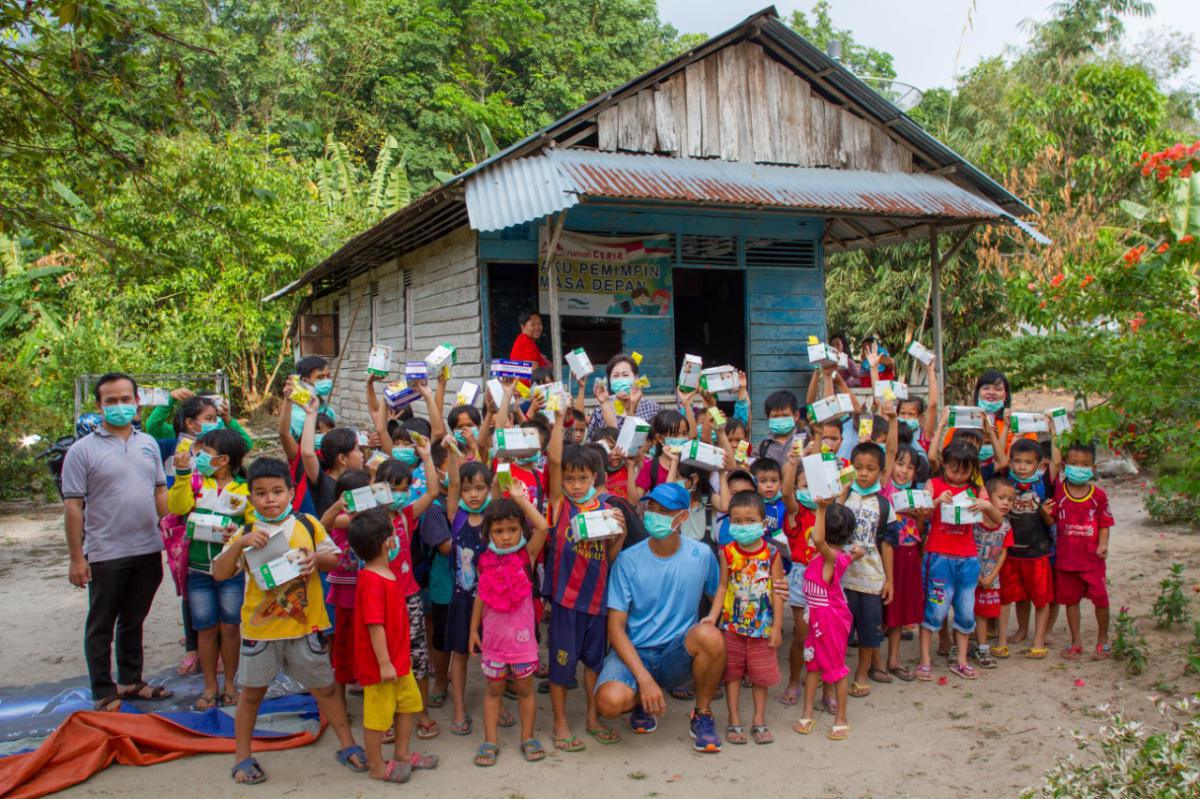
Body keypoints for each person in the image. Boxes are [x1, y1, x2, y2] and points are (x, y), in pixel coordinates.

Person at [212, 457, 364, 785]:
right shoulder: (246, 532)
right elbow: (220, 573)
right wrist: (239, 544)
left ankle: (348, 745)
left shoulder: (307, 524)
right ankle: (242, 757)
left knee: (325, 689)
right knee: (251, 695)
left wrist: (315, 559)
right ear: (251, 497)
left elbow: (334, 559)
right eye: (262, 493)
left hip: (305, 627)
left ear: (291, 493)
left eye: (278, 491)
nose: (270, 499)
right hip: (260, 632)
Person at [62, 372, 173, 711]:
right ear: (99, 406)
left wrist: (170, 533)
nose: (120, 406)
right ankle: (103, 691)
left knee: (134, 619)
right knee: (101, 624)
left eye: (126, 399)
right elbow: (73, 506)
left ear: (137, 402)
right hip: (105, 552)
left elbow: (159, 491)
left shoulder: (148, 444)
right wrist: (77, 557)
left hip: (147, 547)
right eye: (111, 401)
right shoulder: (81, 451)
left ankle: (130, 681)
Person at [594, 483, 725, 754]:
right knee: (608, 703)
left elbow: (719, 596)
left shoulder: (701, 555)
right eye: (651, 508)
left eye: (664, 511)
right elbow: (616, 628)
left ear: (683, 517)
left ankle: (702, 713)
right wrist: (643, 679)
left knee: (711, 636)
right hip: (635, 652)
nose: (655, 515)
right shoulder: (628, 560)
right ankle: (643, 699)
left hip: (676, 653)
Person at [544, 406, 627, 751]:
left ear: (595, 477)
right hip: (566, 601)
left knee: (594, 664)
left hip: (597, 603)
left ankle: (592, 718)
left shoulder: (606, 509)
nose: (576, 485)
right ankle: (561, 724)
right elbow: (552, 460)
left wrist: (620, 533)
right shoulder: (560, 504)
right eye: (569, 478)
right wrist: (559, 422)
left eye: (583, 478)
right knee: (562, 669)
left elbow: (608, 559)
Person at [347, 508, 439, 783]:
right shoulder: (372, 580)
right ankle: (376, 764)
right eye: (392, 534)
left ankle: (402, 753)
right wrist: (385, 663)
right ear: (385, 542)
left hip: (400, 661)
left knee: (409, 706)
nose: (396, 538)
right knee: (377, 717)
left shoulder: (387, 573)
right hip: (381, 666)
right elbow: (375, 626)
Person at [167, 428, 251, 709]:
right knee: (205, 629)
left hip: (231, 573)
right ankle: (209, 687)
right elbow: (177, 507)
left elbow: (254, 524)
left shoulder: (244, 489)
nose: (199, 456)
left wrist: (236, 536)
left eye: (207, 453)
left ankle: (230, 684)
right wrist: (180, 476)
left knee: (230, 627)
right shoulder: (195, 483)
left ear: (223, 459)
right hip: (198, 570)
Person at [468, 488, 552, 766]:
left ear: (521, 531)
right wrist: (472, 631)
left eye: (513, 529)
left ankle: (527, 737)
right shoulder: (484, 561)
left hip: (523, 644)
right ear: (488, 533)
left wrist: (519, 500)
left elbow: (542, 525)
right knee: (493, 693)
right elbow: (481, 595)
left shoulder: (526, 555)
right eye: (499, 531)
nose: (505, 537)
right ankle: (490, 741)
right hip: (493, 643)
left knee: (526, 692)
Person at [703, 491, 784, 745]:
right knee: (732, 674)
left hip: (762, 629)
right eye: (737, 520)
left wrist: (777, 627)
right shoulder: (727, 552)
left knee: (761, 676)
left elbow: (777, 591)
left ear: (763, 522)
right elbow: (722, 587)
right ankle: (734, 720)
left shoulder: (771, 553)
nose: (743, 525)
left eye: (750, 520)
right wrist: (712, 617)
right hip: (733, 627)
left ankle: (759, 721)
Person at [918, 443, 1003, 681]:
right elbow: (920, 515)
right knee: (935, 609)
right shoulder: (934, 485)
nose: (958, 476)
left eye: (964, 471)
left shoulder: (976, 490)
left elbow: (996, 523)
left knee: (966, 612)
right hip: (938, 557)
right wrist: (935, 501)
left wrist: (987, 505)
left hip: (967, 559)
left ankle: (962, 660)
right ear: (944, 464)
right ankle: (925, 660)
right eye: (954, 469)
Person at [793, 499, 860, 741]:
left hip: (830, 622)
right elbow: (848, 554)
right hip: (817, 621)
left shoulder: (830, 556)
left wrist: (821, 508)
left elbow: (819, 540)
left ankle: (841, 718)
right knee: (812, 667)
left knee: (836, 670)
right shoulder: (836, 556)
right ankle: (807, 711)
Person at [839, 441, 900, 696]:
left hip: (871, 580)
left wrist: (889, 580)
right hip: (841, 578)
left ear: (880, 471)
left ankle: (862, 673)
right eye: (859, 467)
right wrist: (842, 490)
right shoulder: (844, 498)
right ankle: (835, 672)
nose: (864, 473)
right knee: (839, 631)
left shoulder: (885, 506)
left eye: (871, 468)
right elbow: (831, 518)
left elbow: (887, 544)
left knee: (868, 631)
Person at [995, 435, 1059, 659]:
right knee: (1014, 596)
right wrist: (998, 429)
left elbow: (1051, 521)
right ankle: (1017, 633)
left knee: (1041, 598)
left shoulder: (1043, 484)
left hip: (1037, 552)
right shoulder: (1006, 482)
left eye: (1028, 462)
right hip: (1011, 552)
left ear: (1039, 464)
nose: (1022, 466)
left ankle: (1038, 640)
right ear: (1011, 462)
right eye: (1017, 461)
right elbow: (1000, 459)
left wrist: (1053, 429)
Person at [1053, 442, 1114, 661]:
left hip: (1092, 560)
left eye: (1085, 464)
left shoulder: (1099, 495)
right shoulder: (1059, 491)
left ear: (1093, 467)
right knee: (1071, 601)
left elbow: (1104, 523)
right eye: (1074, 463)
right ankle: (1076, 641)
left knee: (1101, 600)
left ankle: (1103, 640)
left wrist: (1103, 544)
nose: (1079, 467)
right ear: (1065, 465)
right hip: (1066, 560)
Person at [972, 478, 1015, 669]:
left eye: (1011, 499)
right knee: (964, 611)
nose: (1006, 503)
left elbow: (1003, 553)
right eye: (1001, 498)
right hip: (970, 574)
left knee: (983, 613)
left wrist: (991, 576)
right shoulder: (974, 521)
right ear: (987, 498)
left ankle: (982, 647)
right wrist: (976, 574)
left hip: (990, 578)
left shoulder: (1006, 526)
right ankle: (958, 646)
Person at [586, 353, 661, 438]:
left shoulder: (651, 408)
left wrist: (632, 406)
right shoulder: (598, 413)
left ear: (636, 378)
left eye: (625, 375)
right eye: (615, 376)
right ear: (609, 380)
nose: (620, 379)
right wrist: (604, 404)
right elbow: (592, 446)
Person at [756, 390, 801, 467]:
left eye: (785, 415)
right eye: (775, 416)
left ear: (796, 416)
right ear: (768, 418)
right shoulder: (763, 447)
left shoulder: (806, 440)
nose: (780, 419)